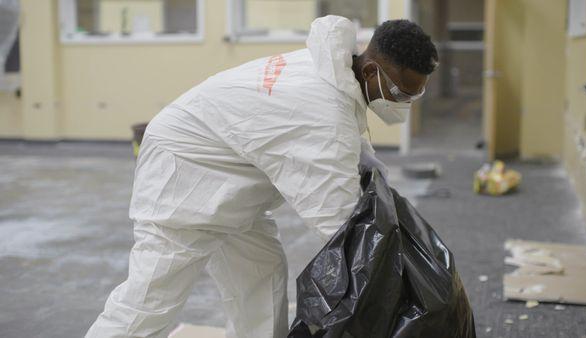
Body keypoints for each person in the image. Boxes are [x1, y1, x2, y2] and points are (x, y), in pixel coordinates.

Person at [86, 15, 438, 338]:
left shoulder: (331, 73)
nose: (404, 102)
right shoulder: (320, 111)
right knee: (152, 297)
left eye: (415, 94)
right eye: (400, 92)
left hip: (226, 176)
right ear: (371, 71)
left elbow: (346, 145)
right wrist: (398, 283)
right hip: (181, 175)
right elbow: (337, 219)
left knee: (260, 276)